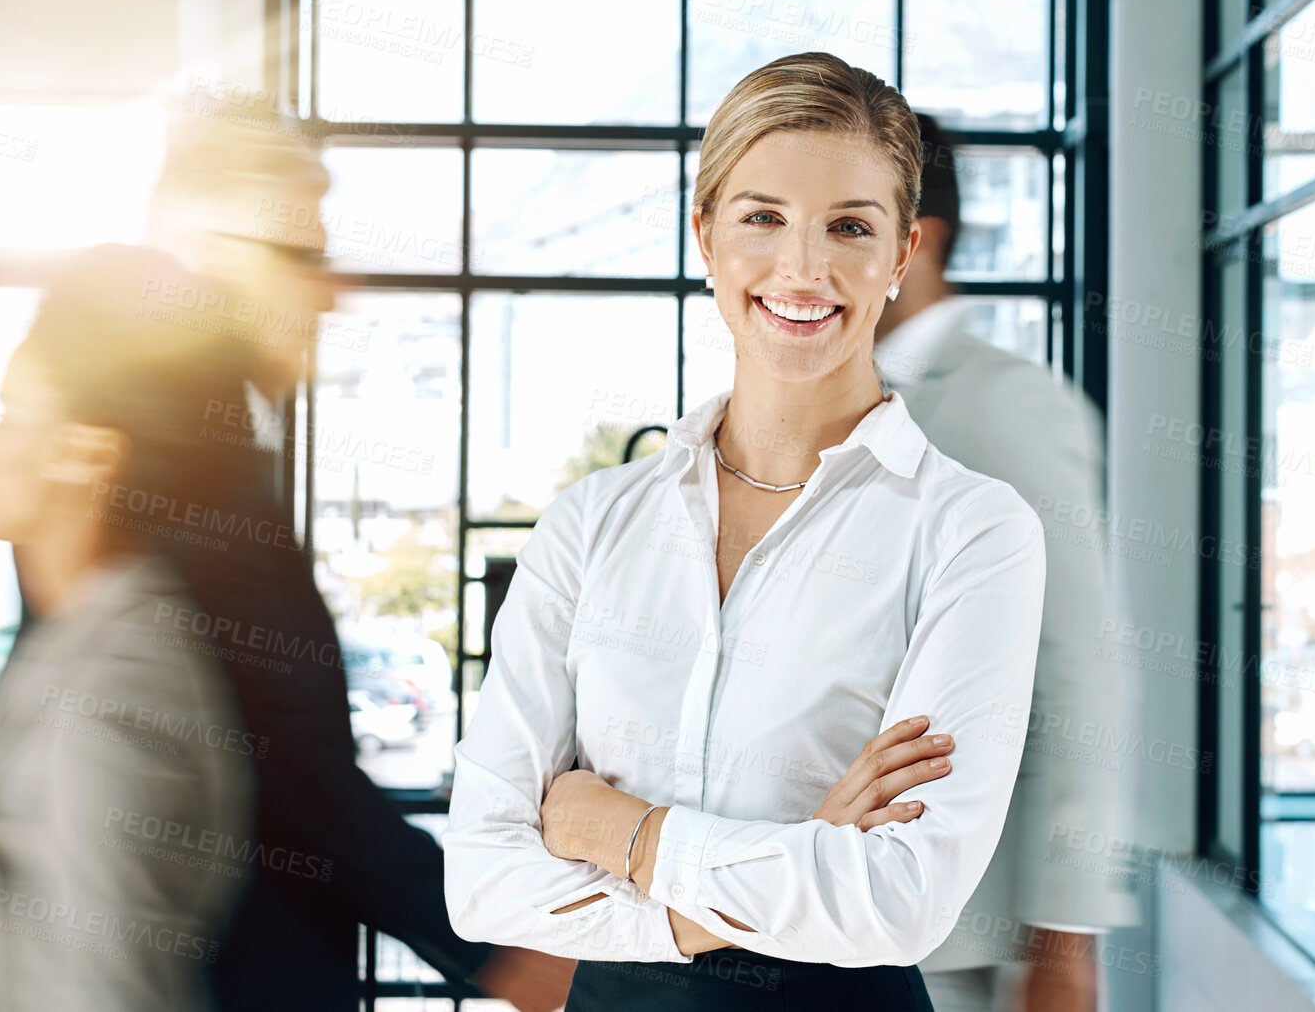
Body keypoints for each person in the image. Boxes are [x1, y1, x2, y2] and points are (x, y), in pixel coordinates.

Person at [442, 52, 1048, 1011]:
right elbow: (481, 879)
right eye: (762, 217)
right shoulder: (594, 523)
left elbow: (897, 902)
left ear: (900, 255)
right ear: (707, 237)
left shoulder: (972, 533)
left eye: (848, 226)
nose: (802, 267)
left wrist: (624, 835)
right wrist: (797, 855)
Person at [144, 98, 575, 1012]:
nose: (332, 292)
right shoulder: (187, 462)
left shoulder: (203, 443)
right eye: (304, 258)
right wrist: (502, 953)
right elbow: (294, 770)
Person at [0, 246, 259, 1011]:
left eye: (9, 415)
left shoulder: (120, 690)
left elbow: (110, 990)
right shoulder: (73, 634)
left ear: (87, 457)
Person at [877, 116, 1141, 1012]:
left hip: (952, 946)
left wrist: (1063, 937)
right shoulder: (822, 402)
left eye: (847, 225)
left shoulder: (1003, 406)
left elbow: (1081, 675)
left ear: (917, 240)